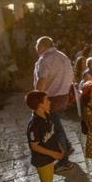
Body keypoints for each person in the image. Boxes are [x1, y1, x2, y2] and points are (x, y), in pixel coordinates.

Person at [33, 36, 76, 172]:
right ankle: (67, 147)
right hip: (63, 96)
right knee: (56, 124)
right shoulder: (63, 56)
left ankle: (64, 161)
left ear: (42, 46)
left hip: (50, 98)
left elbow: (42, 80)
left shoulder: (45, 59)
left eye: (36, 45)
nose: (35, 48)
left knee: (55, 130)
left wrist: (35, 98)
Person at [25, 91, 65, 182]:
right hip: (42, 161)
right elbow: (34, 146)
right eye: (47, 100)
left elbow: (51, 134)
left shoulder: (46, 115)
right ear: (40, 104)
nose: (49, 102)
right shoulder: (34, 125)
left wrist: (58, 146)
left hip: (49, 158)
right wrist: (54, 154)